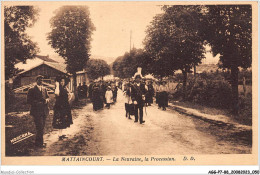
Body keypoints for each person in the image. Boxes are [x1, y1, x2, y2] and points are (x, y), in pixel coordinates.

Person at [27, 75, 49, 148]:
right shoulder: (32, 89)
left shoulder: (44, 89)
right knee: (39, 127)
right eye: (39, 80)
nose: (41, 81)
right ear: (36, 80)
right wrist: (37, 103)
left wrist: (46, 100)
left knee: (42, 127)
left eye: (42, 80)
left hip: (44, 111)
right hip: (36, 111)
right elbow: (29, 100)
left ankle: (38, 142)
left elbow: (48, 97)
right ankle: (39, 143)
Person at [53, 76, 73, 140]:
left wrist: (69, 97)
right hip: (59, 105)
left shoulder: (64, 88)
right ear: (59, 82)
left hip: (65, 105)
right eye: (61, 81)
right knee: (60, 119)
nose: (62, 82)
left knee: (63, 119)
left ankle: (61, 134)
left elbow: (70, 94)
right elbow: (57, 94)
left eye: (63, 81)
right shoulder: (58, 88)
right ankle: (59, 135)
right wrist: (57, 85)